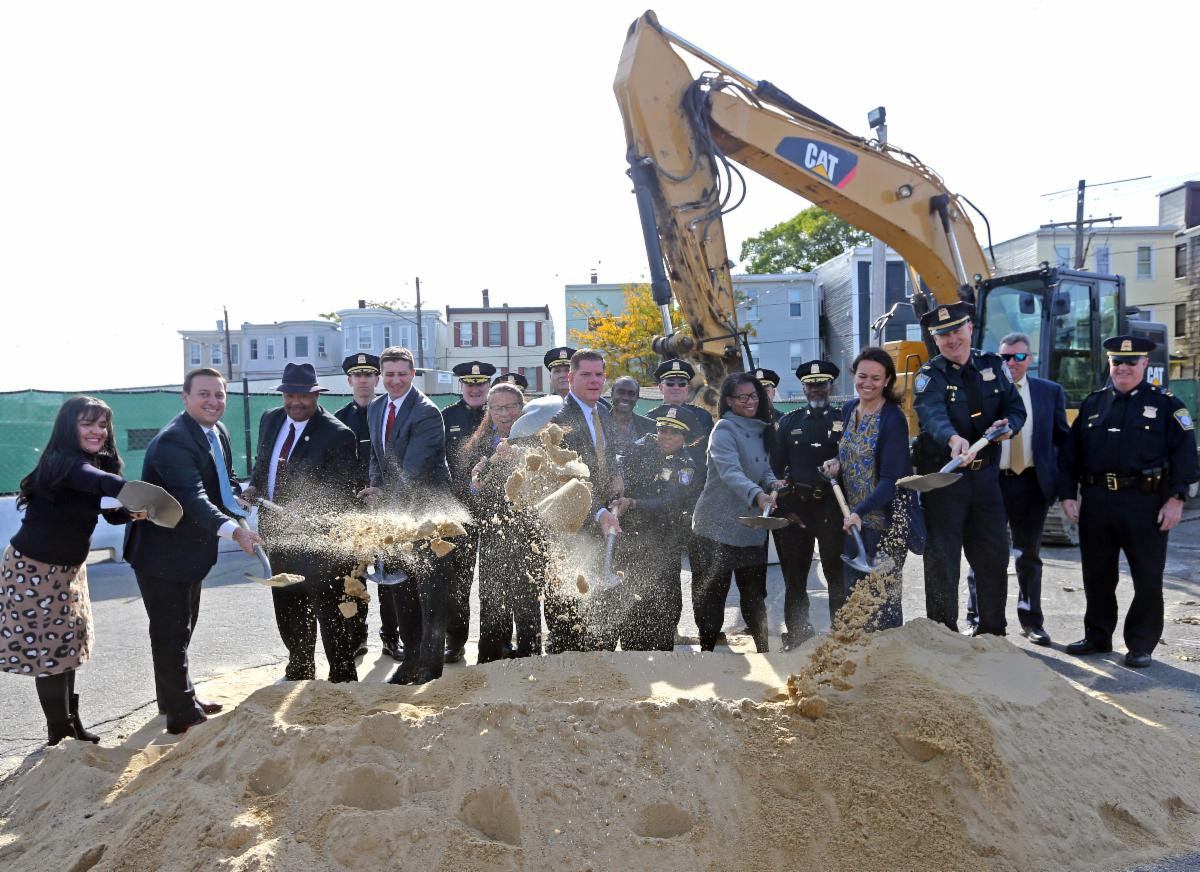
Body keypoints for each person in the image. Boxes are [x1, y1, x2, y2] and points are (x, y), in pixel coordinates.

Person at [3, 397, 152, 745]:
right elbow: (96, 482)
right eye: (88, 423)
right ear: (69, 427)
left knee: (68, 647)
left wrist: (131, 510)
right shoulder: (62, 463)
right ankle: (59, 734)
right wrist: (128, 490)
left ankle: (73, 726)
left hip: (69, 571)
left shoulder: (95, 463)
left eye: (102, 425)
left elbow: (108, 508)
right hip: (34, 571)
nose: (97, 431)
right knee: (49, 655)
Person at [125, 368, 263, 734]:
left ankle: (175, 699)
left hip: (190, 552)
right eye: (203, 394)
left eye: (219, 395)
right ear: (185, 398)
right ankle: (181, 714)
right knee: (170, 631)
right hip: (160, 553)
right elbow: (192, 498)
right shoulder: (173, 441)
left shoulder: (218, 432)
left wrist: (239, 498)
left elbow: (223, 478)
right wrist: (235, 532)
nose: (212, 401)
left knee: (181, 629)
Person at [1059, 335, 1198, 668]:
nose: (1122, 368)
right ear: (1109, 363)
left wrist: (1176, 498)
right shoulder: (1093, 404)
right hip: (1097, 501)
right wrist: (1066, 494)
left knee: (1147, 577)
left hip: (1145, 503)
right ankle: (1097, 636)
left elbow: (1185, 457)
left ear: (1145, 364)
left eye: (1131, 362)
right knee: (1097, 575)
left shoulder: (1167, 405)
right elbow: (1070, 455)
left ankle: (1140, 644)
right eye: (1116, 362)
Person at [241, 363, 359, 683]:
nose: (296, 402)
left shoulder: (337, 434)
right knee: (287, 603)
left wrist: (306, 518)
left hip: (318, 542)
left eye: (303, 395)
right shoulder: (271, 419)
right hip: (275, 535)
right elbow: (263, 464)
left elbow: (342, 495)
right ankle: (300, 665)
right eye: (290, 394)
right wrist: (254, 488)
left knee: (329, 610)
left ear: (316, 395)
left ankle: (343, 675)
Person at [912, 302, 1025, 637]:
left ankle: (992, 631)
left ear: (970, 329)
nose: (951, 339)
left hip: (987, 479)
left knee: (992, 556)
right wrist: (952, 439)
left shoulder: (993, 365)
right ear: (935, 339)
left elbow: (1014, 407)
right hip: (946, 480)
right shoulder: (929, 375)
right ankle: (943, 633)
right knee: (942, 561)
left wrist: (1011, 426)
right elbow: (931, 412)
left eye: (956, 330)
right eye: (942, 334)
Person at [964, 333, 1068, 645]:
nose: (1012, 363)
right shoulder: (986, 392)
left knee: (1028, 555)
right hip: (992, 483)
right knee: (982, 556)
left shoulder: (1050, 392)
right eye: (1006, 357)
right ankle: (976, 618)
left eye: (1019, 357)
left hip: (1032, 484)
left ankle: (1031, 621)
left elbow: (1062, 440)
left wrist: (1065, 489)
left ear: (1030, 359)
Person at [359, 346, 452, 685]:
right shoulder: (376, 407)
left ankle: (430, 668)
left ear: (413, 374)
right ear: (381, 376)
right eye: (389, 374)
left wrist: (387, 504)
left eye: (402, 374)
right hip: (394, 515)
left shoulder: (426, 413)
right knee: (402, 591)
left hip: (429, 518)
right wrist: (374, 489)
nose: (395, 380)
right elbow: (376, 455)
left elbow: (413, 471)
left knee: (430, 594)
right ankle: (410, 660)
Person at [690, 373, 786, 653]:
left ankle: (763, 652)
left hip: (750, 529)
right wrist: (758, 495)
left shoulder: (761, 428)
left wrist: (772, 482)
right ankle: (707, 653)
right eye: (742, 397)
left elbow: (762, 468)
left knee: (755, 597)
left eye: (754, 395)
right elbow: (731, 471)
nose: (750, 401)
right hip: (716, 528)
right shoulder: (724, 430)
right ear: (729, 401)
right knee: (712, 597)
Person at [823, 348, 912, 630]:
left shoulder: (893, 419)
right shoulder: (850, 409)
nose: (868, 383)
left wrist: (860, 512)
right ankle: (859, 661)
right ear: (854, 376)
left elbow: (891, 481)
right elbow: (852, 451)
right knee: (855, 598)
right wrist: (836, 463)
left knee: (882, 601)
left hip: (883, 525)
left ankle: (888, 663)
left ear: (887, 381)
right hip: (854, 522)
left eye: (876, 378)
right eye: (863, 376)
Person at [545, 348, 622, 652]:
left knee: (595, 599)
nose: (594, 381)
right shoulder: (557, 419)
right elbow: (562, 481)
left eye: (599, 374)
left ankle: (593, 661)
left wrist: (617, 475)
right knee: (566, 602)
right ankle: (563, 659)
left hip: (598, 521)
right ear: (570, 377)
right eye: (586, 374)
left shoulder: (601, 411)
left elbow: (608, 452)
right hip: (568, 526)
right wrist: (600, 511)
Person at [462, 383, 545, 662]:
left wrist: (522, 458)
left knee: (527, 601)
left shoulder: (540, 440)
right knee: (492, 601)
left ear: (522, 409)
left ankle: (530, 659)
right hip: (493, 533)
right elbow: (471, 490)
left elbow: (550, 481)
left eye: (511, 406)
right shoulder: (479, 444)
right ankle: (491, 660)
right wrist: (476, 481)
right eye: (497, 407)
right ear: (489, 410)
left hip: (530, 534)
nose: (505, 413)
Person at [614, 407, 703, 650]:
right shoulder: (644, 448)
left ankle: (663, 648)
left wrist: (633, 503)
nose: (665, 436)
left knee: (665, 598)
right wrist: (618, 476)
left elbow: (670, 503)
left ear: (684, 438)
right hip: (633, 540)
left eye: (673, 433)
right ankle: (632, 647)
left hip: (664, 541)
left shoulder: (685, 465)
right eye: (662, 430)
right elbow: (621, 457)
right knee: (631, 594)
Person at [771, 360, 845, 647]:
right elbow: (775, 470)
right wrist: (786, 509)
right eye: (811, 384)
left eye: (822, 384)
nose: (816, 389)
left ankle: (841, 634)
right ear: (803, 387)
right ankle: (798, 633)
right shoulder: (789, 423)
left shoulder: (844, 420)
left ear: (831, 386)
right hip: (796, 512)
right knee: (795, 577)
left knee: (835, 575)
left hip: (831, 510)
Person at [442, 360, 496, 664]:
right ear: (461, 386)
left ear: (488, 386)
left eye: (481, 383)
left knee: (493, 582)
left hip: (493, 511)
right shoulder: (446, 417)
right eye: (469, 384)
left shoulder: (499, 415)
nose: (475, 389)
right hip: (459, 511)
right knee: (457, 582)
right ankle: (456, 641)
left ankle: (493, 642)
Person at [334, 352, 380, 658]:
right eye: (357, 375)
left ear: (377, 379)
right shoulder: (338, 420)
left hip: (387, 508)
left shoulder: (389, 413)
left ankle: (391, 636)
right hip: (353, 512)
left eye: (369, 375)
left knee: (392, 576)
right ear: (350, 380)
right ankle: (357, 636)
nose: (363, 381)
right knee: (354, 577)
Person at [645, 358, 714, 446]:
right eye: (670, 383)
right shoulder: (650, 418)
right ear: (661, 388)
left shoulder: (703, 417)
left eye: (681, 384)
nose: (676, 388)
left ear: (687, 389)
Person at [609, 375, 655, 458]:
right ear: (612, 394)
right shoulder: (598, 422)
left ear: (637, 398)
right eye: (621, 392)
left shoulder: (651, 427)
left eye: (631, 394)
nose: (626, 397)